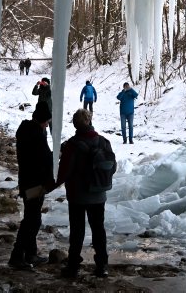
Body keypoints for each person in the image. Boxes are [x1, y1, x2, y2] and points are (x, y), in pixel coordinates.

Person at [57, 109, 116, 278]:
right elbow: (113, 167)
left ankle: (73, 266)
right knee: (99, 230)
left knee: (77, 231)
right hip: (98, 194)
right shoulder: (104, 142)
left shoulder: (72, 145)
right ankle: (102, 266)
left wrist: (47, 186)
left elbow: (64, 172)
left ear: (75, 124)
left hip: (77, 195)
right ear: (90, 122)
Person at [8, 102, 55, 270]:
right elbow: (43, 158)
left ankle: (30, 253)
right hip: (34, 182)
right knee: (31, 219)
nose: (48, 124)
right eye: (47, 121)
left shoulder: (27, 130)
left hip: (28, 181)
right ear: (42, 120)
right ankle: (17, 254)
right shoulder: (35, 134)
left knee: (32, 217)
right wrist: (57, 154)